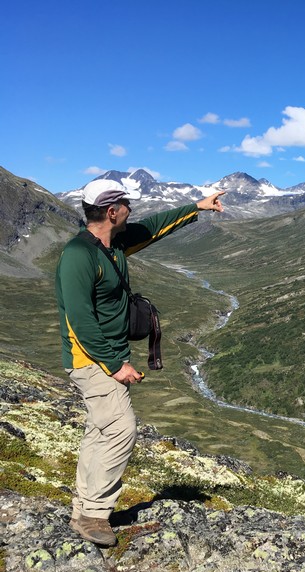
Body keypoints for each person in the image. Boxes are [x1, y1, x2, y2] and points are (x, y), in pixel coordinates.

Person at [55, 179, 225, 546]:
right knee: (120, 428)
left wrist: (198, 207)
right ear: (112, 211)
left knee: (100, 430)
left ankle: (83, 507)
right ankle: (94, 515)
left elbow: (153, 228)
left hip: (101, 359)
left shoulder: (113, 244)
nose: (132, 209)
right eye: (126, 204)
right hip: (91, 361)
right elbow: (79, 320)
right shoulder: (78, 256)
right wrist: (115, 364)